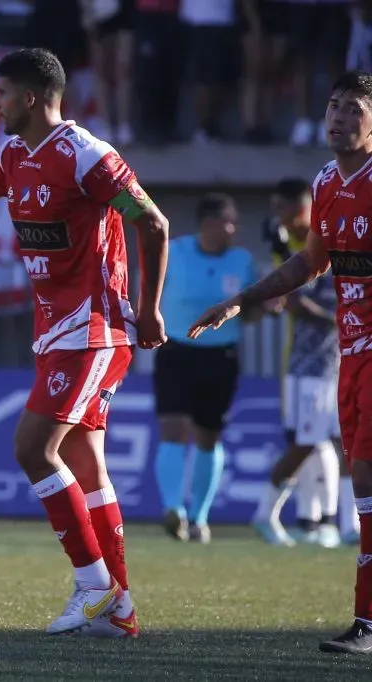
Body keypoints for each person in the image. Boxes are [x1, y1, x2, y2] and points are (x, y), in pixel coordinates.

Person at [0, 47, 169, 637]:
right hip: (57, 333)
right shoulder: (14, 156)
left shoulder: (86, 156)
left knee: (33, 449)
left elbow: (152, 222)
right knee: (85, 463)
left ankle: (95, 585)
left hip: (93, 331)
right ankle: (120, 612)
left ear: (30, 98)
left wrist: (149, 310)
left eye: (2, 94)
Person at [189, 70, 372, 655]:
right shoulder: (326, 182)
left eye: (354, 108)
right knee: (361, 484)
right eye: (334, 105)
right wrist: (240, 300)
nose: (339, 117)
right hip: (350, 356)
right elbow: (309, 264)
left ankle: (367, 623)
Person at [151, 194, 258, 544]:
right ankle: (173, 510)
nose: (234, 230)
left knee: (208, 436)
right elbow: (149, 293)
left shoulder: (242, 261)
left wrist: (268, 306)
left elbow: (252, 310)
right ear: (210, 223)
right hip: (176, 351)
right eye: (229, 223)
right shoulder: (174, 252)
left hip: (220, 356)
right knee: (172, 427)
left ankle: (199, 517)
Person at [254, 178, 344, 548]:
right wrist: (337, 321)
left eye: (284, 208)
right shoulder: (287, 247)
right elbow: (288, 300)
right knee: (305, 442)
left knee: (332, 441)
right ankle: (266, 514)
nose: (279, 216)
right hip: (306, 363)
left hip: (336, 361)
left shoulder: (332, 241)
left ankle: (327, 522)